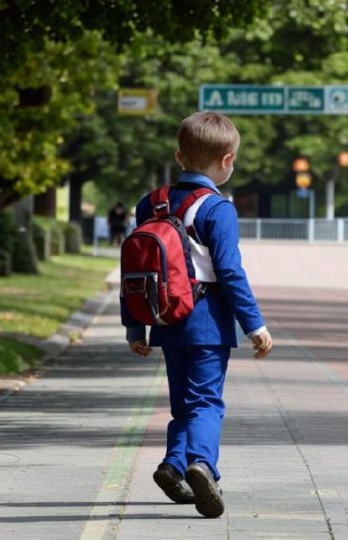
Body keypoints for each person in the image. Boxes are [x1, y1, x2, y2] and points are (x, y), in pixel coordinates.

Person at [123, 111, 274, 518]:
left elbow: (134, 270)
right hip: (207, 318)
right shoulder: (217, 209)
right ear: (227, 161)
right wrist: (254, 324)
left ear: (178, 155)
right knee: (206, 401)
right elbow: (229, 272)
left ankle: (173, 466)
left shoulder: (149, 204)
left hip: (166, 320)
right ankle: (201, 464)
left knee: (182, 405)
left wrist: (134, 326)